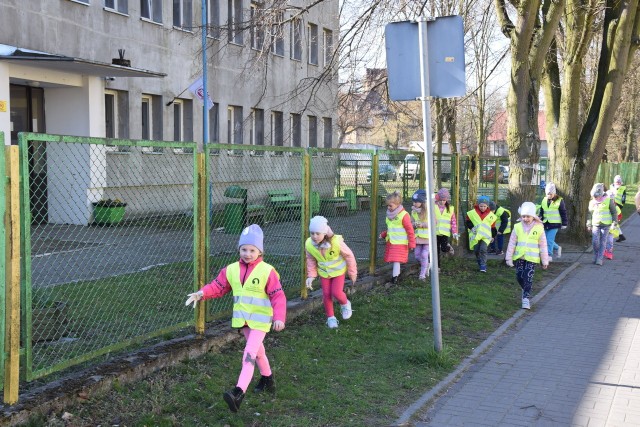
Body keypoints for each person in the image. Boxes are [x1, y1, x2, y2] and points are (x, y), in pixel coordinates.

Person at [184, 224, 286, 413]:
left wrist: (279, 317)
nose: (247, 253)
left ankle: (238, 393)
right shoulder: (230, 269)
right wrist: (201, 293)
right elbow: (217, 286)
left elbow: (278, 296)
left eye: (252, 250)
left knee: (249, 354)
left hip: (261, 321)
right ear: (239, 249)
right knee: (259, 353)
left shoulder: (267, 271)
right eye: (244, 249)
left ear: (260, 251)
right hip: (244, 321)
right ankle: (267, 379)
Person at [305, 216, 357, 329]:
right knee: (326, 294)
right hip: (324, 274)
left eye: (318, 233)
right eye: (312, 233)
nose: (314, 236)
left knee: (337, 293)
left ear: (324, 233)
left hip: (338, 272)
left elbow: (349, 255)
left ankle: (345, 303)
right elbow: (310, 259)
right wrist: (311, 275)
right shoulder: (309, 244)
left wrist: (352, 273)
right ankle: (331, 318)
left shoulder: (336, 242)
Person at [505, 202, 549, 309]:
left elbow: (543, 245)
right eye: (523, 216)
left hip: (532, 258)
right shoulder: (517, 227)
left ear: (533, 216)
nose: (526, 218)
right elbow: (512, 243)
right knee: (519, 276)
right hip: (520, 257)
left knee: (528, 277)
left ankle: (525, 298)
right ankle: (525, 288)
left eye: (528, 216)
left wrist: (545, 261)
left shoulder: (539, 228)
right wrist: (508, 258)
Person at [379, 191, 416, 284]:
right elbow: (392, 229)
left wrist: (412, 243)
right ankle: (396, 276)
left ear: (397, 204)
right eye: (387, 205)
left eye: (390, 205)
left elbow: (410, 230)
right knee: (396, 260)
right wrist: (384, 234)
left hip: (400, 242)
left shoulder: (404, 215)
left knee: (396, 260)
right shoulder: (389, 216)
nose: (388, 207)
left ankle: (394, 278)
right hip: (392, 241)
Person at [586, 183, 617, 266]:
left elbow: (614, 212)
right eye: (594, 197)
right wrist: (589, 224)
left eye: (596, 196)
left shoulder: (608, 200)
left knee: (603, 242)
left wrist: (614, 222)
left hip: (606, 225)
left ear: (601, 194)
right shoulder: (592, 202)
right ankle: (596, 256)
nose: (595, 198)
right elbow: (589, 214)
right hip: (595, 224)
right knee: (595, 242)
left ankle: (599, 259)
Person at [465, 195, 497, 273]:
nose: (482, 207)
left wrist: (493, 236)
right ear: (478, 205)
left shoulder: (491, 215)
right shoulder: (472, 213)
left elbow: (493, 227)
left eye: (484, 206)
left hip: (486, 236)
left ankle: (483, 265)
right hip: (475, 235)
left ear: (487, 206)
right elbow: (468, 222)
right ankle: (479, 261)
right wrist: (471, 227)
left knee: (483, 249)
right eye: (481, 206)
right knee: (476, 250)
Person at [538, 182, 568, 261]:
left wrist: (564, 223)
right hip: (545, 223)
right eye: (548, 194)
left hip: (555, 224)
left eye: (551, 194)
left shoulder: (559, 200)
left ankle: (549, 255)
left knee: (549, 240)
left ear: (554, 193)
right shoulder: (544, 200)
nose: (549, 196)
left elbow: (563, 212)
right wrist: (539, 218)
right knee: (544, 240)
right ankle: (558, 248)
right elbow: (542, 211)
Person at [434, 188, 459, 266]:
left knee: (444, 249)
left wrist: (455, 233)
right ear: (438, 198)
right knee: (436, 251)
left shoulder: (450, 209)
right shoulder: (433, 207)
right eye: (440, 200)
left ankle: (448, 247)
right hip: (435, 233)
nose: (442, 202)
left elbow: (453, 222)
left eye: (444, 200)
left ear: (447, 200)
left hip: (445, 233)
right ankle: (438, 267)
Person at [411, 189, 430, 280]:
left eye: (417, 202)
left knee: (424, 254)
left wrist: (423, 225)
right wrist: (414, 224)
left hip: (428, 238)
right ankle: (426, 265)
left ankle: (422, 274)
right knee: (417, 255)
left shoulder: (429, 212)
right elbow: (411, 223)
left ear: (422, 202)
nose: (414, 203)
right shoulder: (413, 212)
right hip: (418, 238)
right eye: (413, 201)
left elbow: (434, 223)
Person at [604, 189, 623, 260]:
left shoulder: (612, 206)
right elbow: (620, 215)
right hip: (608, 225)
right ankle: (608, 251)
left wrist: (617, 220)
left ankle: (608, 251)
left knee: (608, 239)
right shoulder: (614, 206)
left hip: (610, 226)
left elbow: (620, 215)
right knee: (608, 239)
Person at [610, 175, 627, 242]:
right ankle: (620, 235)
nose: (618, 183)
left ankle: (614, 235)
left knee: (613, 220)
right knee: (614, 221)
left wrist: (621, 203)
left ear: (621, 182)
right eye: (617, 182)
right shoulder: (611, 186)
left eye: (619, 182)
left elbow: (623, 198)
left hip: (617, 206)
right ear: (614, 182)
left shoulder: (622, 189)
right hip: (612, 204)